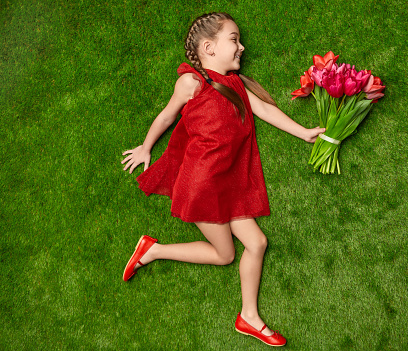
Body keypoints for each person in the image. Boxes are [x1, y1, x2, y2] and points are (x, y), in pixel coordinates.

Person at [121, 12, 325, 347]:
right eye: (233, 39)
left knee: (257, 243)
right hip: (200, 185)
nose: (241, 46)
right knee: (225, 254)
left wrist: (303, 133)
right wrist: (146, 147)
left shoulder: (236, 84)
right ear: (208, 47)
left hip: (226, 183)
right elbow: (168, 114)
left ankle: (248, 317)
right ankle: (153, 250)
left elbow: (265, 110)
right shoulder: (192, 82)